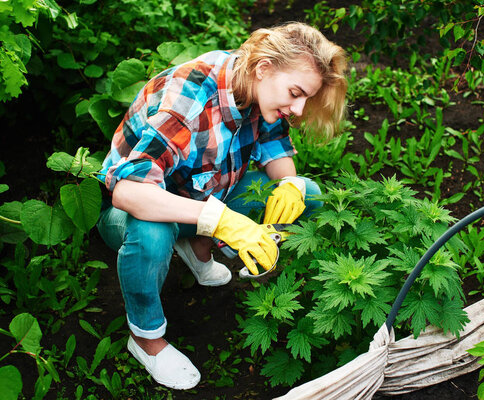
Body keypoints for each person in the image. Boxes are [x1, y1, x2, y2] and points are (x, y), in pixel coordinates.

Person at [96, 22, 347, 390]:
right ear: (264, 68)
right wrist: (220, 219)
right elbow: (130, 193)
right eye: (295, 93)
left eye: (306, 99)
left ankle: (198, 248)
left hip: (198, 196)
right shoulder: (190, 94)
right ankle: (146, 339)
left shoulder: (256, 87)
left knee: (308, 192)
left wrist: (290, 184)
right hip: (132, 212)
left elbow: (276, 148)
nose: (298, 108)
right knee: (151, 232)